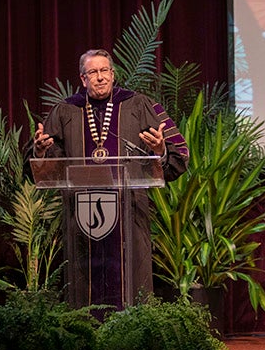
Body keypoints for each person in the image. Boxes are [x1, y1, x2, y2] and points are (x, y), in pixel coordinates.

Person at [28, 48, 188, 312]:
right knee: (84, 284)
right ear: (83, 78)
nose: (100, 77)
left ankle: (133, 336)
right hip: (81, 215)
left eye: (105, 71)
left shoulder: (138, 104)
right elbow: (43, 157)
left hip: (130, 211)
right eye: (93, 72)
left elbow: (179, 153)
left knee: (130, 278)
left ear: (113, 74)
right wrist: (41, 151)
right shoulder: (66, 110)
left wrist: (160, 150)